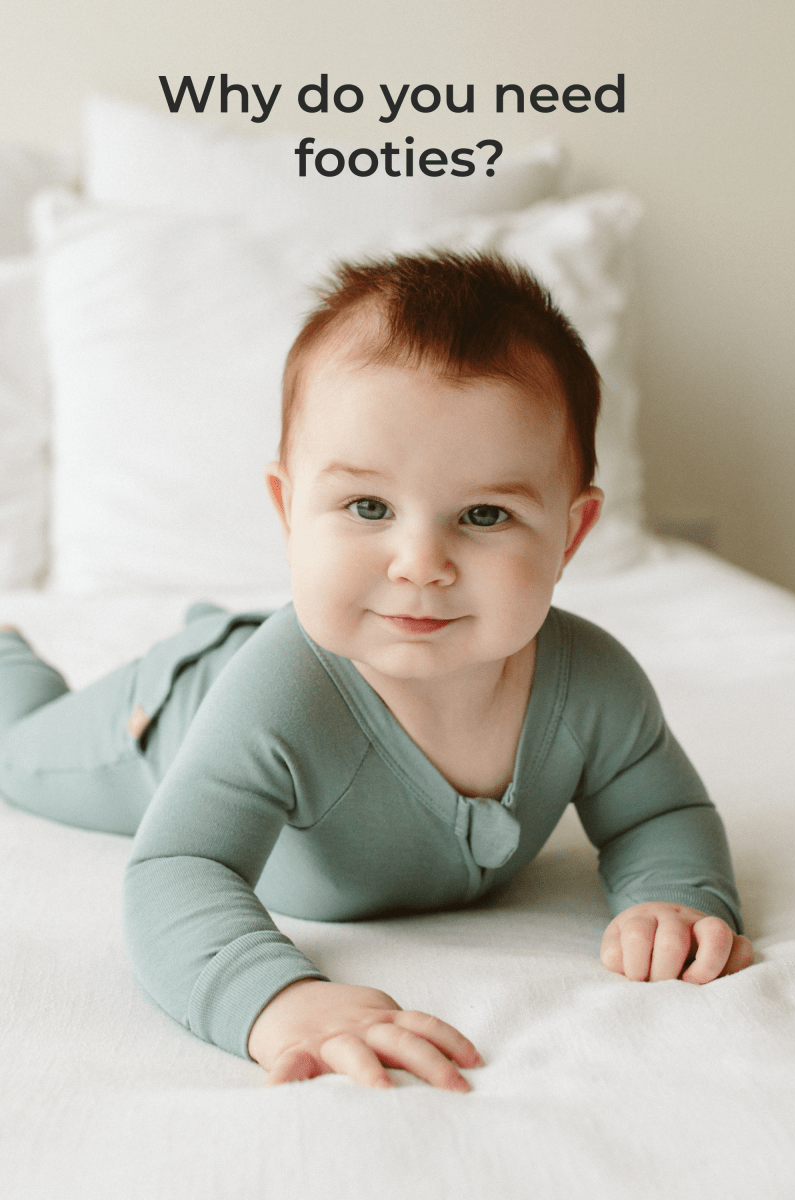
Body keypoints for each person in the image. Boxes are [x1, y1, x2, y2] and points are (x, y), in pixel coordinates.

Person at [0, 251, 753, 1094]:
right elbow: (178, 868)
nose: (420, 562)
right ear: (290, 510)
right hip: (165, 721)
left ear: (571, 536)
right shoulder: (280, 699)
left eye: (484, 514)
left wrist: (674, 895)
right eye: (368, 507)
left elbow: (661, 809)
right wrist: (276, 999)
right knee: (19, 750)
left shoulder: (595, 684)